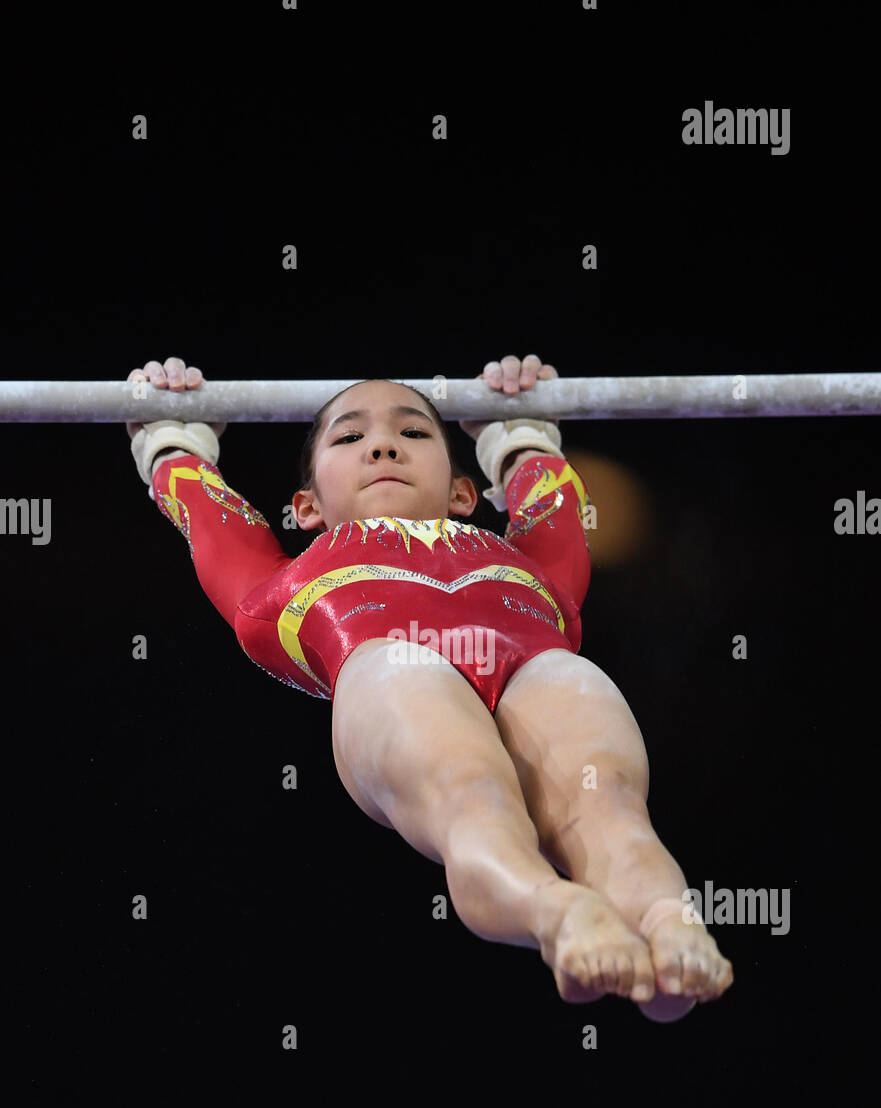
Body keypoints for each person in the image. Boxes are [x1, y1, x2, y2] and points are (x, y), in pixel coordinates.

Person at [126, 353, 734, 1023]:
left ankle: (664, 921)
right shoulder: (283, 587)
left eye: (414, 433)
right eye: (349, 436)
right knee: (471, 790)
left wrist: (519, 426)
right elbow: (212, 520)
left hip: (530, 665)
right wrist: (171, 434)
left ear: (462, 495)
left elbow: (551, 508)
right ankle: (556, 910)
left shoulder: (526, 569)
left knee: (609, 801)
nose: (383, 443)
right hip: (389, 671)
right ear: (304, 507)